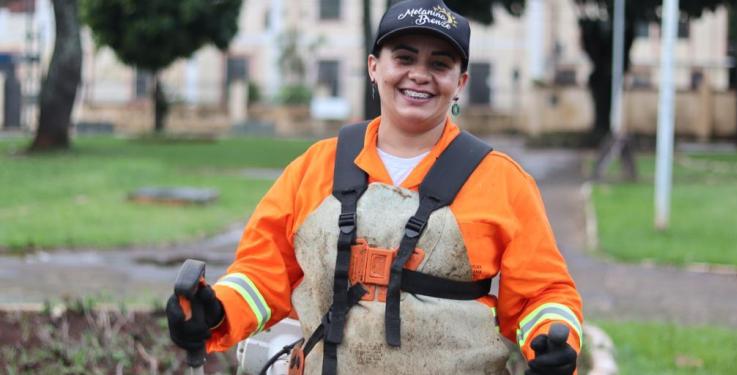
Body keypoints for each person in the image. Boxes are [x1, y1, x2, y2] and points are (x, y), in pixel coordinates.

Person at [166, 0, 583, 374]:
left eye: (440, 64)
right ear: (373, 67)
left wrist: (550, 337)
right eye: (403, 57)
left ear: (460, 82)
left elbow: (542, 292)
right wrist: (217, 311)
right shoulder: (316, 168)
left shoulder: (501, 181)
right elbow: (261, 275)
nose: (419, 75)